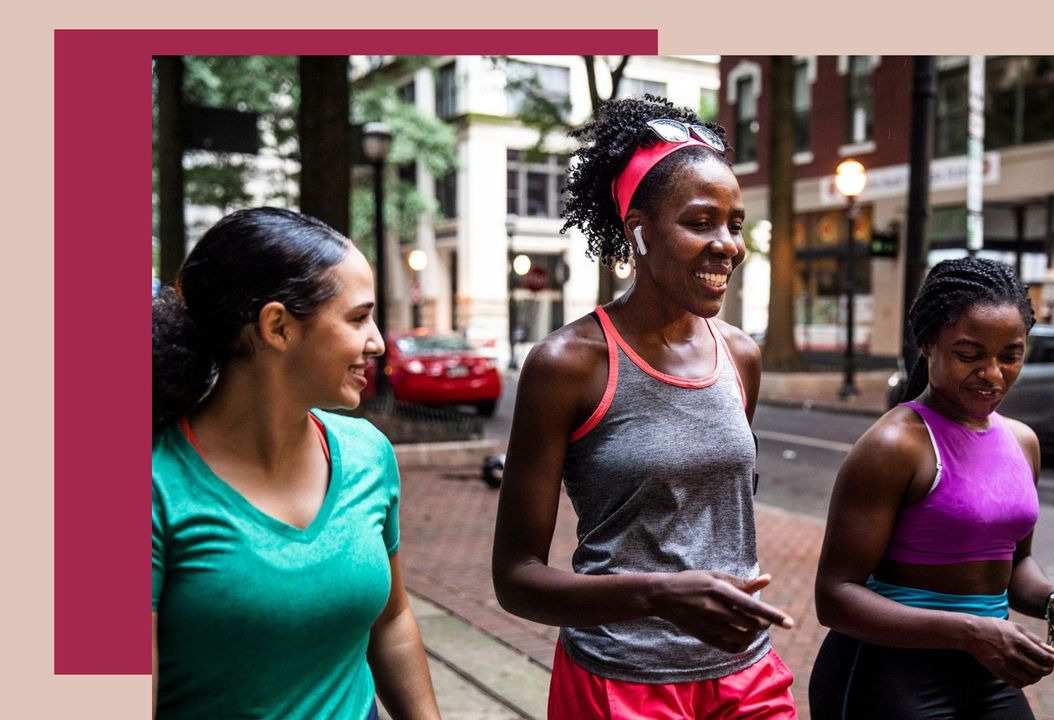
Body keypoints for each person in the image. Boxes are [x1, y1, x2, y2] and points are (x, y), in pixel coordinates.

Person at [491, 96, 799, 719]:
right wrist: (659, 595)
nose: (726, 246)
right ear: (640, 229)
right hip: (623, 683)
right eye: (701, 222)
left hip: (746, 677)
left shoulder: (740, 355)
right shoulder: (568, 364)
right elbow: (516, 577)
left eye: (735, 225)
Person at [151, 207, 441, 720]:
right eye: (358, 318)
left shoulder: (367, 454)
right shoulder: (156, 484)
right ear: (278, 327)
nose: (376, 343)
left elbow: (391, 621)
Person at [810, 257, 1054, 719]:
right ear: (928, 344)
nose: (993, 374)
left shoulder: (1023, 442)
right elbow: (835, 597)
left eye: (1010, 355)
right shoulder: (894, 445)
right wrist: (970, 632)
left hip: (987, 668)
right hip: (888, 672)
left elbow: (1014, 562)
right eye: (970, 355)